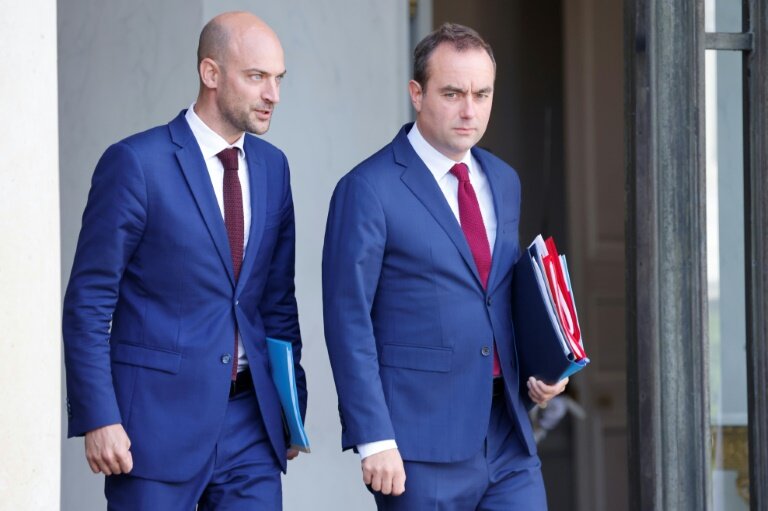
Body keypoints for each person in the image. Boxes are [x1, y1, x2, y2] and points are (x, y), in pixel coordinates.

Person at [62, 11, 305, 509]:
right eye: (257, 77)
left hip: (251, 427)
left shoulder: (274, 168)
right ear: (210, 73)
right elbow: (89, 302)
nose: (273, 95)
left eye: (279, 79)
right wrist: (99, 416)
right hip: (152, 425)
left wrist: (289, 407)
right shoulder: (136, 164)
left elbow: (277, 302)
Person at [322, 23, 567, 509]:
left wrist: (545, 367)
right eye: (452, 93)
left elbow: (502, 294)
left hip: (508, 437)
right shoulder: (367, 189)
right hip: (418, 446)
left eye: (482, 94)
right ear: (417, 93)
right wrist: (374, 438)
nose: (469, 110)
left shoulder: (504, 180)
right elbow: (347, 319)